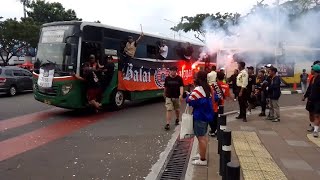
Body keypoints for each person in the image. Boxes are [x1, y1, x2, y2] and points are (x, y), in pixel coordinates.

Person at [186, 71, 214, 166]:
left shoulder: (198, 89)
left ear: (198, 78)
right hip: (206, 115)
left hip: (199, 116)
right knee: (203, 136)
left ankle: (202, 159)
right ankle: (201, 154)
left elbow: (189, 100)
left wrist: (188, 94)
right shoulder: (208, 88)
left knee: (201, 137)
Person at [208, 72, 230, 137]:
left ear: (216, 77)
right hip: (221, 105)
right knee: (219, 119)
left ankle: (213, 131)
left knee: (211, 119)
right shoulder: (226, 86)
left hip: (213, 105)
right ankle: (217, 131)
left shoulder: (213, 85)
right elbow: (226, 96)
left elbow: (210, 94)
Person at [164, 66, 184, 130]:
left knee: (177, 109)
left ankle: (177, 118)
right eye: (172, 70)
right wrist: (164, 93)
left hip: (176, 97)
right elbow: (165, 87)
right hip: (169, 96)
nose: (173, 72)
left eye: (174, 70)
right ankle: (168, 124)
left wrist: (181, 94)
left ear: (176, 71)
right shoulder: (167, 78)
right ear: (170, 71)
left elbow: (181, 87)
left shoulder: (179, 78)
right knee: (169, 109)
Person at [303, 60, 320, 133]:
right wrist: (305, 96)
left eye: (312, 69)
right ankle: (313, 126)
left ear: (314, 70)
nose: (310, 70)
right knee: (311, 114)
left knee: (316, 115)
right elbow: (309, 88)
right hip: (311, 100)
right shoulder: (312, 78)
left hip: (318, 100)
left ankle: (316, 130)